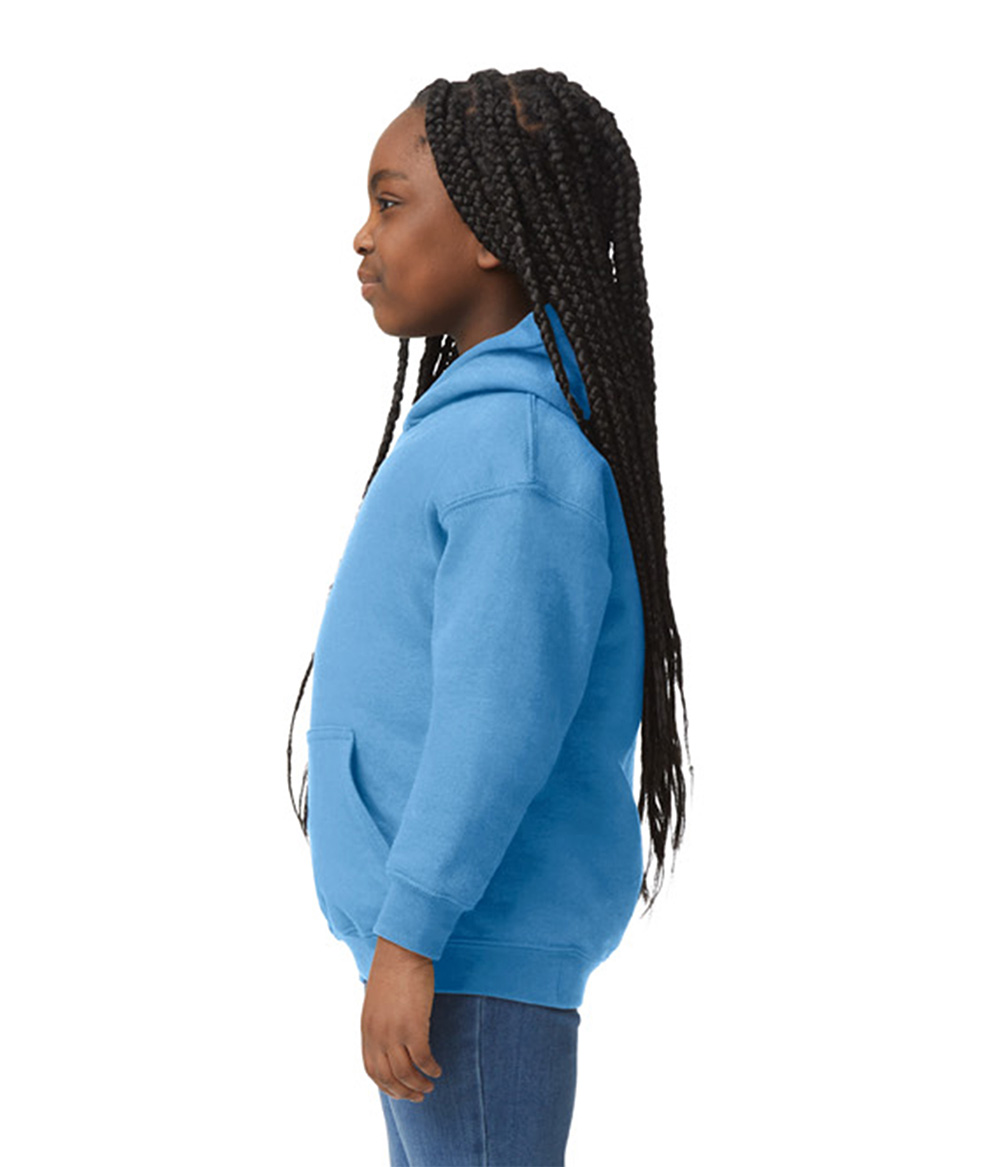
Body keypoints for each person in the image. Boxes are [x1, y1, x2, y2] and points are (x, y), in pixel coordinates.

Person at [286, 67, 694, 1166]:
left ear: (486, 231)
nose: (362, 237)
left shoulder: (514, 454)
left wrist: (412, 934)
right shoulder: (477, 431)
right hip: (447, 952)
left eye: (390, 202)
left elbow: (495, 718)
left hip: (467, 952)